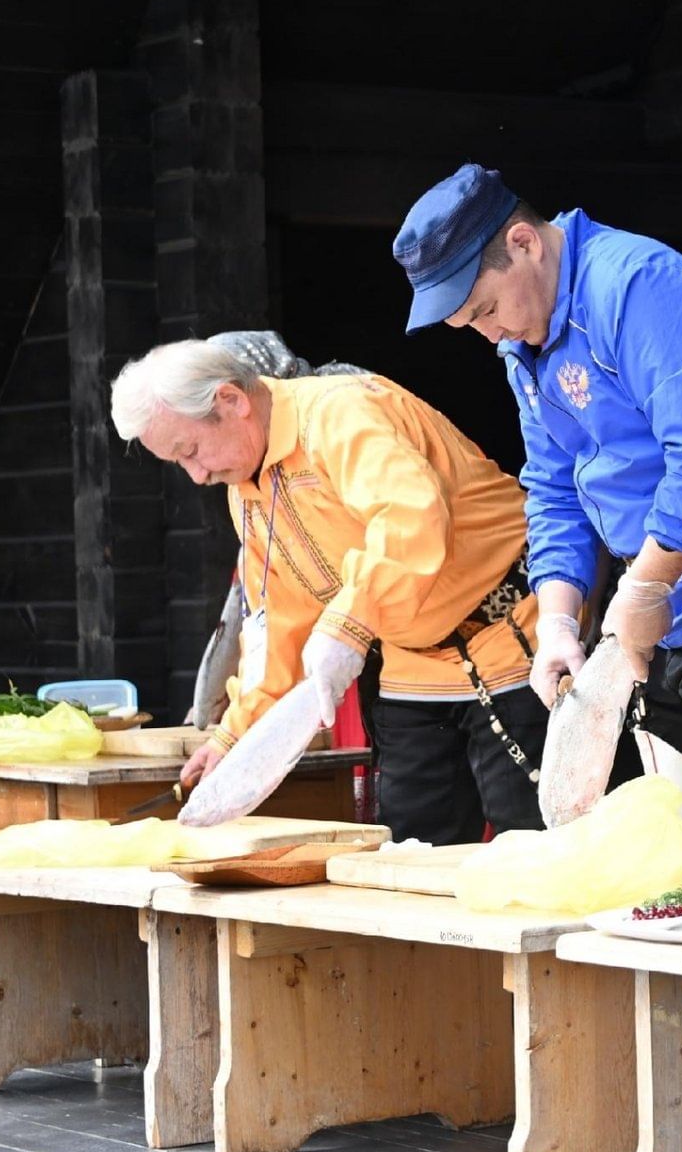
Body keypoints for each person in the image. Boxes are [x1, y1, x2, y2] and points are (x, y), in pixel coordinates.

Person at [391, 163, 682, 881]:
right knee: (681, 844)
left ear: (524, 243)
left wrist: (640, 592)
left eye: (483, 309)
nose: (487, 334)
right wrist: (557, 621)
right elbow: (551, 489)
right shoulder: (525, 346)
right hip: (661, 605)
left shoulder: (637, 284)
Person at [110, 339, 551, 844]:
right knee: (413, 845)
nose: (197, 475)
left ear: (232, 401)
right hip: (409, 664)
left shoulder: (338, 412)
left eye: (190, 451)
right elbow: (278, 624)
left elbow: (409, 515)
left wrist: (349, 622)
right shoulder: (247, 495)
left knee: (533, 840)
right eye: (178, 463)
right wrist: (235, 735)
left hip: (511, 634)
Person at [188, 330, 365, 731]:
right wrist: (227, 718)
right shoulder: (254, 494)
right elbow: (255, 614)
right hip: (310, 669)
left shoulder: (336, 421)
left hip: (365, 647)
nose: (199, 473)